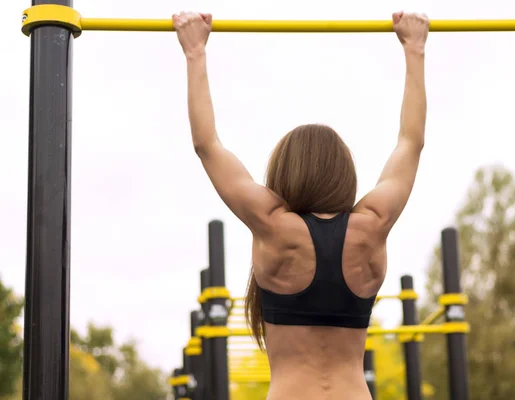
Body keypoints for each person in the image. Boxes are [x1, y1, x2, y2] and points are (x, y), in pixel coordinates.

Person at [173, 10, 429, 400]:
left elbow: (207, 145)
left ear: (284, 173)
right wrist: (415, 49)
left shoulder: (273, 227)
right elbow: (410, 143)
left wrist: (195, 52)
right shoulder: (372, 225)